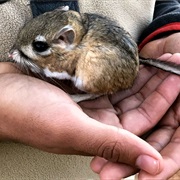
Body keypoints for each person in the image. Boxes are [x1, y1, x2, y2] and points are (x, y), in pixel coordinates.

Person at [0, 0, 179, 179]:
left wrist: (169, 29)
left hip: (94, 164)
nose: (14, 55)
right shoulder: (64, 37)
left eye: (39, 48)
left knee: (85, 75)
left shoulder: (71, 52)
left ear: (66, 39)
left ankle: (96, 91)